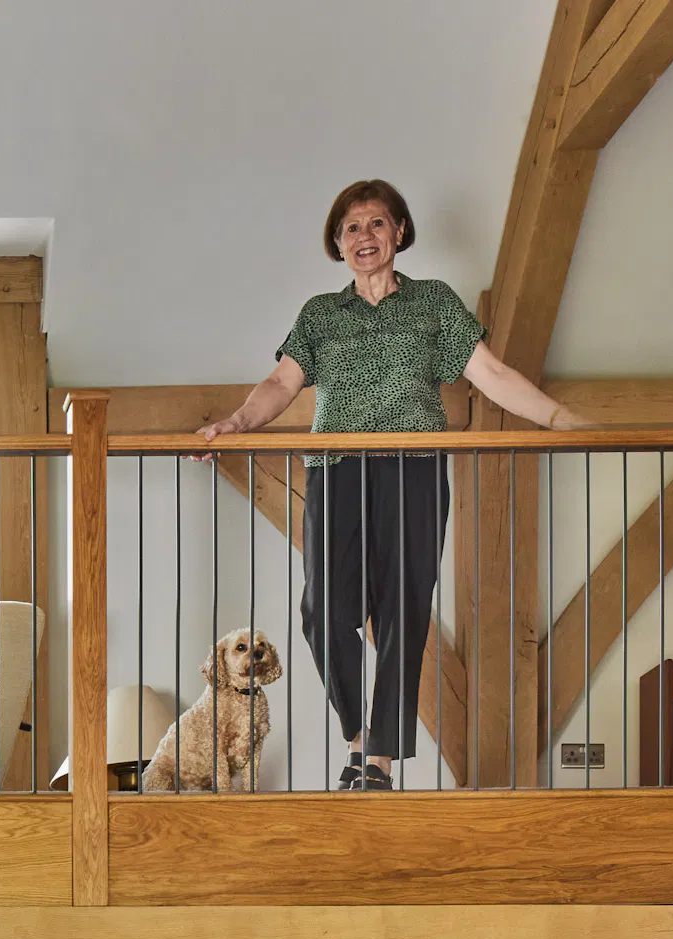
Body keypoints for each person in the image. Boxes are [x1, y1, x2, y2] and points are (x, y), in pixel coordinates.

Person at [197, 177, 585, 789]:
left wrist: (563, 419)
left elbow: (491, 374)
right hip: (337, 470)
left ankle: (374, 765)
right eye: (351, 228)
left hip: (414, 471)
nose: (364, 236)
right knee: (323, 611)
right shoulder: (321, 315)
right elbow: (279, 384)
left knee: (403, 613)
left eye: (376, 223)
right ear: (337, 243)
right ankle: (359, 738)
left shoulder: (433, 302)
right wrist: (237, 421)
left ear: (399, 232)